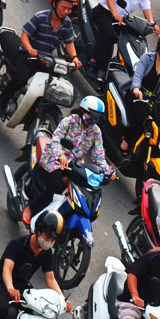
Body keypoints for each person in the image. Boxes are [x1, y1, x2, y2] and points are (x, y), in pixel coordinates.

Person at [24, 95, 116, 223]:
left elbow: (99, 156)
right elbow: (56, 138)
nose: (93, 120)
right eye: (91, 116)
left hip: (73, 166)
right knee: (55, 187)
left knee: (81, 193)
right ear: (83, 111)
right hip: (53, 159)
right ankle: (30, 208)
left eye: (96, 118)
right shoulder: (70, 121)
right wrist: (60, 155)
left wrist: (109, 172)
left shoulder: (95, 132)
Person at [0, 0, 81, 110]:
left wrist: (74, 58)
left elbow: (69, 43)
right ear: (54, 4)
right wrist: (29, 49)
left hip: (46, 59)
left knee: (53, 85)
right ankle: (2, 100)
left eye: (69, 9)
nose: (67, 12)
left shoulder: (67, 23)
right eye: (64, 8)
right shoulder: (40, 17)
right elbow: (25, 34)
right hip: (28, 55)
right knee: (22, 77)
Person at [88, 0, 158, 71]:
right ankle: (93, 60)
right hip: (104, 12)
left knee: (133, 37)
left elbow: (146, 6)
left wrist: (151, 23)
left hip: (121, 19)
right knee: (110, 36)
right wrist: (115, 13)